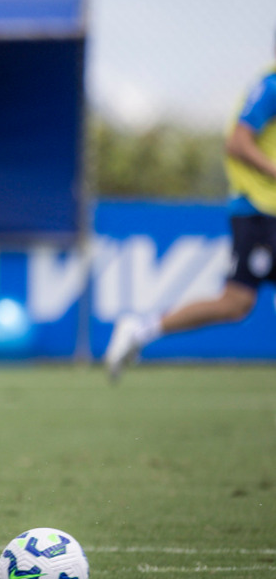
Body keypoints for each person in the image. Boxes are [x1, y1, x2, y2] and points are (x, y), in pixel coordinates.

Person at [106, 41, 276, 379]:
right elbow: (237, 142)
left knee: (236, 303)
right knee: (235, 302)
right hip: (260, 211)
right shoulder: (271, 86)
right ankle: (140, 330)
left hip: (265, 212)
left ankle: (139, 330)